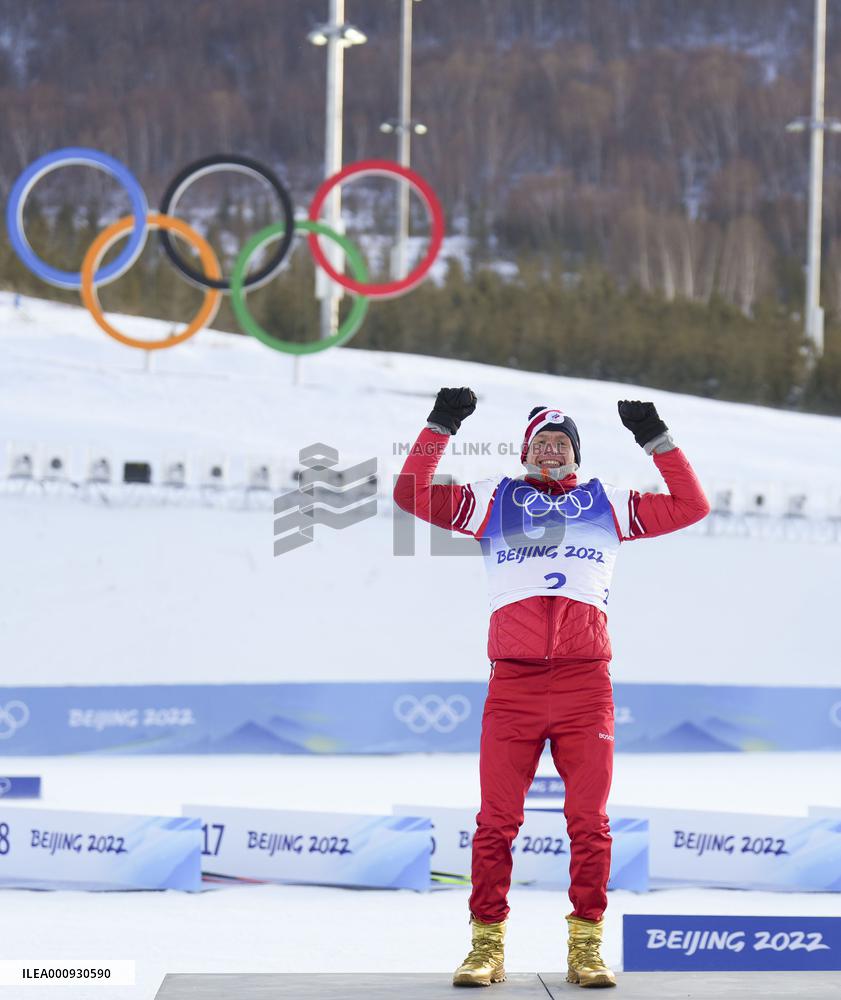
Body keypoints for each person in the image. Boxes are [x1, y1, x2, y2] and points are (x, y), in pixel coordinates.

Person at [393, 389, 710, 989]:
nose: (552, 449)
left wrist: (656, 438)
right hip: (513, 685)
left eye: (562, 443)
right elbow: (409, 496)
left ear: (576, 455)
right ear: (525, 451)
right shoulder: (493, 498)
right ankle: (486, 947)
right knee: (495, 822)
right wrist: (440, 426)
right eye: (542, 442)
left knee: (589, 822)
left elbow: (691, 506)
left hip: (584, 686)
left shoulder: (608, 503)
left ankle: (586, 949)